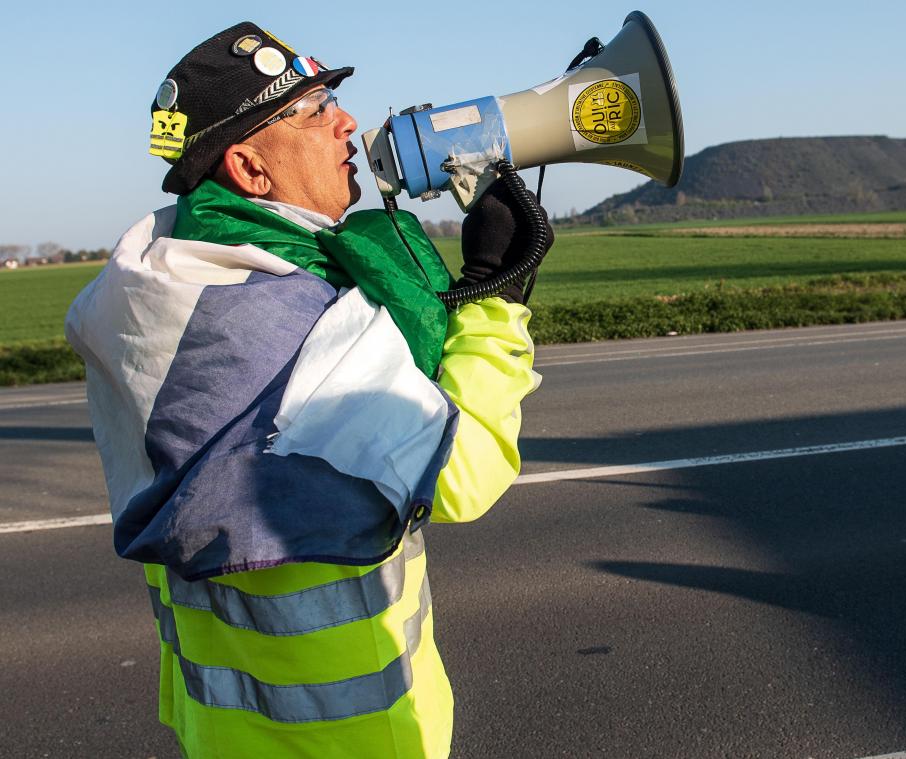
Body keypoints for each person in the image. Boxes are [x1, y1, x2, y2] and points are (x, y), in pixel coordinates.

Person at [65, 21, 551, 758]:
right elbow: (462, 472)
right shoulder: (277, 320)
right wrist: (496, 299)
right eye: (315, 109)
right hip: (349, 734)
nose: (347, 121)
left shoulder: (163, 286)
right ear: (250, 169)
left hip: (223, 729)